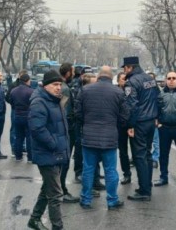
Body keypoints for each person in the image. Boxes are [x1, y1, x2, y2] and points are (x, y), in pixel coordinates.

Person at [76, 66, 129, 210]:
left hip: (89, 136)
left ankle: (85, 199)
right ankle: (112, 201)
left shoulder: (85, 90)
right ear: (111, 77)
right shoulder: (118, 92)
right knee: (111, 170)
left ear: (98, 76)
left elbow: (78, 113)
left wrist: (86, 124)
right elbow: (125, 116)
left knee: (88, 169)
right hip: (110, 137)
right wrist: (114, 125)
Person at [27, 70, 71, 230]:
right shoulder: (39, 102)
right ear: (45, 86)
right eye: (55, 84)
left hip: (56, 153)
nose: (58, 87)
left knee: (48, 188)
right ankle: (57, 227)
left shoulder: (54, 100)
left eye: (60, 84)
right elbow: (37, 129)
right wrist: (54, 144)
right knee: (55, 195)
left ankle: (34, 219)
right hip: (48, 154)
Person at [123, 56, 160, 202]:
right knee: (147, 155)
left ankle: (144, 190)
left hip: (139, 122)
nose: (124, 71)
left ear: (129, 67)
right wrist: (157, 116)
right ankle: (147, 185)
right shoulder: (150, 79)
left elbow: (131, 106)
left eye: (125, 68)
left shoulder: (131, 82)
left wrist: (130, 125)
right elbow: (158, 97)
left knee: (139, 156)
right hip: (151, 121)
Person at [57, 63, 82, 203]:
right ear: (67, 73)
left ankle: (59, 189)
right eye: (72, 71)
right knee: (64, 161)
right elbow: (64, 111)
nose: (73, 74)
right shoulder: (65, 89)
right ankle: (62, 191)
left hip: (64, 129)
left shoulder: (61, 85)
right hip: (68, 130)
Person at [9, 74, 34, 162]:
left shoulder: (13, 91)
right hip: (28, 116)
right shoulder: (31, 91)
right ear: (27, 80)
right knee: (29, 137)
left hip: (17, 115)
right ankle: (30, 157)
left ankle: (18, 156)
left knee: (18, 137)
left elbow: (11, 103)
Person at [116, 72, 133, 185]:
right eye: (123, 79)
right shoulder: (115, 92)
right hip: (120, 125)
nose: (125, 81)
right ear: (118, 81)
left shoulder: (131, 91)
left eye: (126, 79)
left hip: (132, 125)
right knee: (123, 152)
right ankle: (126, 173)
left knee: (136, 150)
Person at [148, 71, 160, 169]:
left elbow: (159, 105)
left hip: (154, 119)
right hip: (145, 119)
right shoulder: (143, 90)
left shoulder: (157, 90)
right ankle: (148, 158)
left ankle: (155, 159)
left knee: (156, 141)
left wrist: (157, 118)